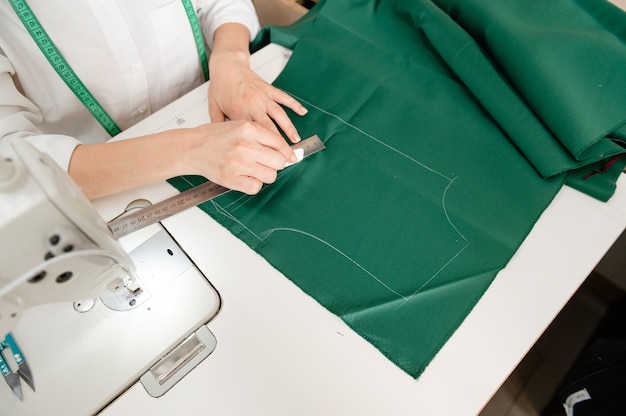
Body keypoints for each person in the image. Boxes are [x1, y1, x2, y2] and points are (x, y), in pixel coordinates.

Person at [0, 0, 307, 200]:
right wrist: (190, 150)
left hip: (211, 116)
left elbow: (223, 4)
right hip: (96, 186)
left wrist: (231, 58)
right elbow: (9, 164)